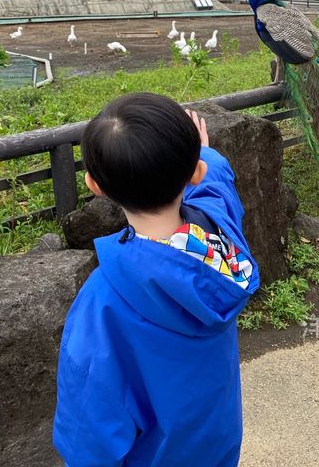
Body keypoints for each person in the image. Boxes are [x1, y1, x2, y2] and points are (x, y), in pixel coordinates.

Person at [53, 93, 260, 467]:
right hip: (216, 444)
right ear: (195, 172)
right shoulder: (222, 239)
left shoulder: (102, 303)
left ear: (94, 185)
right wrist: (203, 156)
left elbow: (90, 431)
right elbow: (217, 187)